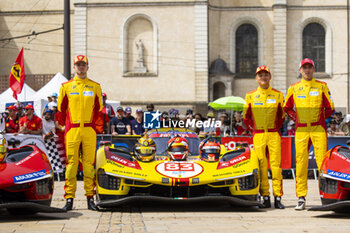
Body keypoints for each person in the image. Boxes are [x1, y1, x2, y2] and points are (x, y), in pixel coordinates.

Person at [283, 58, 334, 210]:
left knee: (323, 163)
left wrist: (319, 119)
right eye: (304, 67)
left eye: (309, 67)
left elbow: (330, 107)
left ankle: (327, 196)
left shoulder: (322, 86)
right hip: (301, 129)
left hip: (318, 129)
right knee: (301, 163)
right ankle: (301, 197)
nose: (307, 70)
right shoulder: (294, 87)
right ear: (300, 70)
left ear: (313, 70)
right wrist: (297, 119)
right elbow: (287, 107)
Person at [58, 55, 102, 211]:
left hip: (89, 130)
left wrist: (96, 127)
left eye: (84, 65)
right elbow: (60, 110)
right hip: (72, 130)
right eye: (78, 65)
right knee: (71, 165)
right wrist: (64, 126)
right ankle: (69, 199)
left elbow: (99, 110)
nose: (81, 67)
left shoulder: (95, 86)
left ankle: (90, 198)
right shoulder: (66, 86)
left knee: (89, 165)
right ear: (74, 67)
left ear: (87, 67)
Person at [243, 65, 285, 209]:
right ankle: (265, 196)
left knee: (276, 166)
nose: (263, 77)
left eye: (266, 74)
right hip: (259, 134)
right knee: (261, 166)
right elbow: (246, 117)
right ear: (256, 78)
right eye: (260, 75)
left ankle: (278, 197)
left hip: (274, 134)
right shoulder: (250, 96)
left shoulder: (278, 95)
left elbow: (282, 116)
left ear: (270, 77)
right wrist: (254, 129)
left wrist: (275, 127)